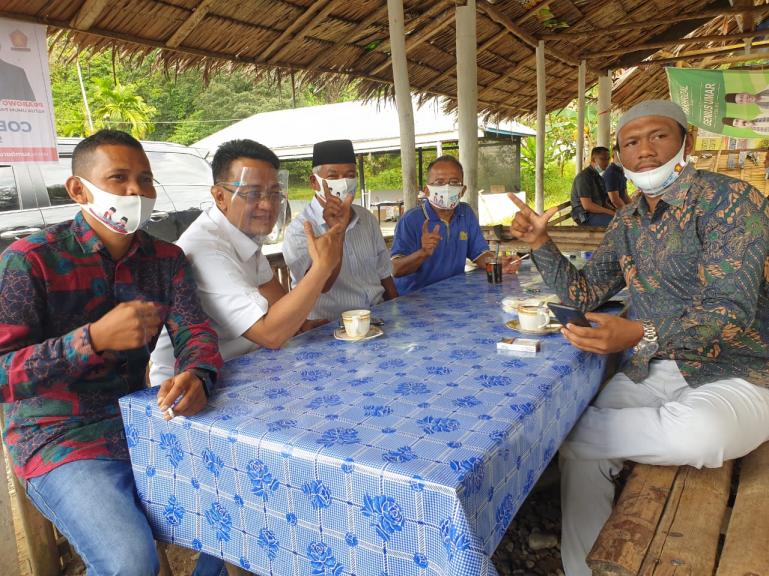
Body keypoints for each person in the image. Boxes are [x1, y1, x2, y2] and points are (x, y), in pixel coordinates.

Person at [509, 100, 769, 576]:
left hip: (739, 369)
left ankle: (551, 438)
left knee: (701, 433)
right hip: (651, 369)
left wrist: (641, 331)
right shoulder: (627, 223)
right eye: (631, 142)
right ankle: (581, 568)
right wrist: (542, 244)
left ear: (685, 143)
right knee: (585, 459)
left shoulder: (732, 201)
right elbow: (585, 292)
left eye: (658, 137)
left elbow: (729, 309)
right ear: (620, 157)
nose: (644, 151)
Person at [0, 130, 222, 575]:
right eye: (119, 178)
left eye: (145, 179)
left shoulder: (165, 259)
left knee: (242, 507)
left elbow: (194, 330)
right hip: (58, 437)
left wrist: (198, 374)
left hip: (141, 420)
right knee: (129, 560)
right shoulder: (31, 259)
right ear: (78, 189)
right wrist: (91, 339)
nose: (136, 191)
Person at [150, 139, 345, 386]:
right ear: (219, 196)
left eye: (274, 193)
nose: (267, 205)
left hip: (246, 367)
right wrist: (321, 268)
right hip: (191, 388)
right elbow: (270, 334)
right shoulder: (206, 249)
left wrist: (304, 325)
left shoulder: (241, 234)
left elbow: (278, 303)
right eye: (253, 193)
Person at [282, 139, 397, 323]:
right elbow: (320, 286)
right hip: (330, 326)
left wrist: (397, 309)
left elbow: (384, 273)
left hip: (378, 315)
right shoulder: (300, 230)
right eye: (333, 176)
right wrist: (338, 232)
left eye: (350, 175)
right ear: (314, 182)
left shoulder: (366, 218)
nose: (343, 182)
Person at [390, 155, 520, 295]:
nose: (447, 188)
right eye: (439, 182)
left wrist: (499, 262)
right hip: (415, 299)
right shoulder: (410, 220)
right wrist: (423, 253)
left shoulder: (466, 213)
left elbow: (479, 254)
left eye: (454, 182)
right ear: (426, 190)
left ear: (462, 190)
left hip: (453, 294)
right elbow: (395, 270)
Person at [570, 146, 614, 226]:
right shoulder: (584, 177)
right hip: (584, 215)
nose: (606, 162)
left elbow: (603, 202)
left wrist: (615, 211)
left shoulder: (598, 177)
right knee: (616, 223)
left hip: (596, 213)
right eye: (603, 159)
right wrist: (610, 212)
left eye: (608, 159)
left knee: (622, 218)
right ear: (593, 160)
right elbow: (588, 206)